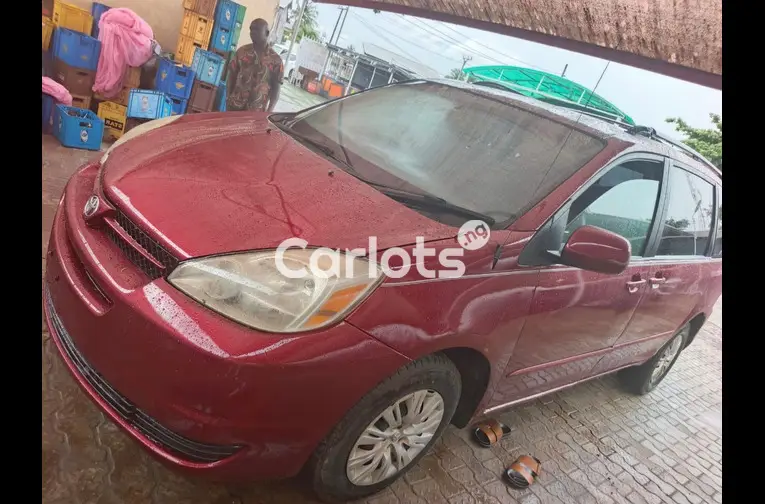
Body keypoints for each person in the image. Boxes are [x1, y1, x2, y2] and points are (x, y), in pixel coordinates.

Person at [226, 19, 284, 112]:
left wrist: (269, 111)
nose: (252, 32)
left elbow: (276, 91)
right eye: (251, 29)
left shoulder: (276, 61)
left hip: (256, 113)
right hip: (234, 108)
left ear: (267, 33)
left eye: (256, 29)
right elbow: (231, 76)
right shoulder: (242, 52)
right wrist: (228, 98)